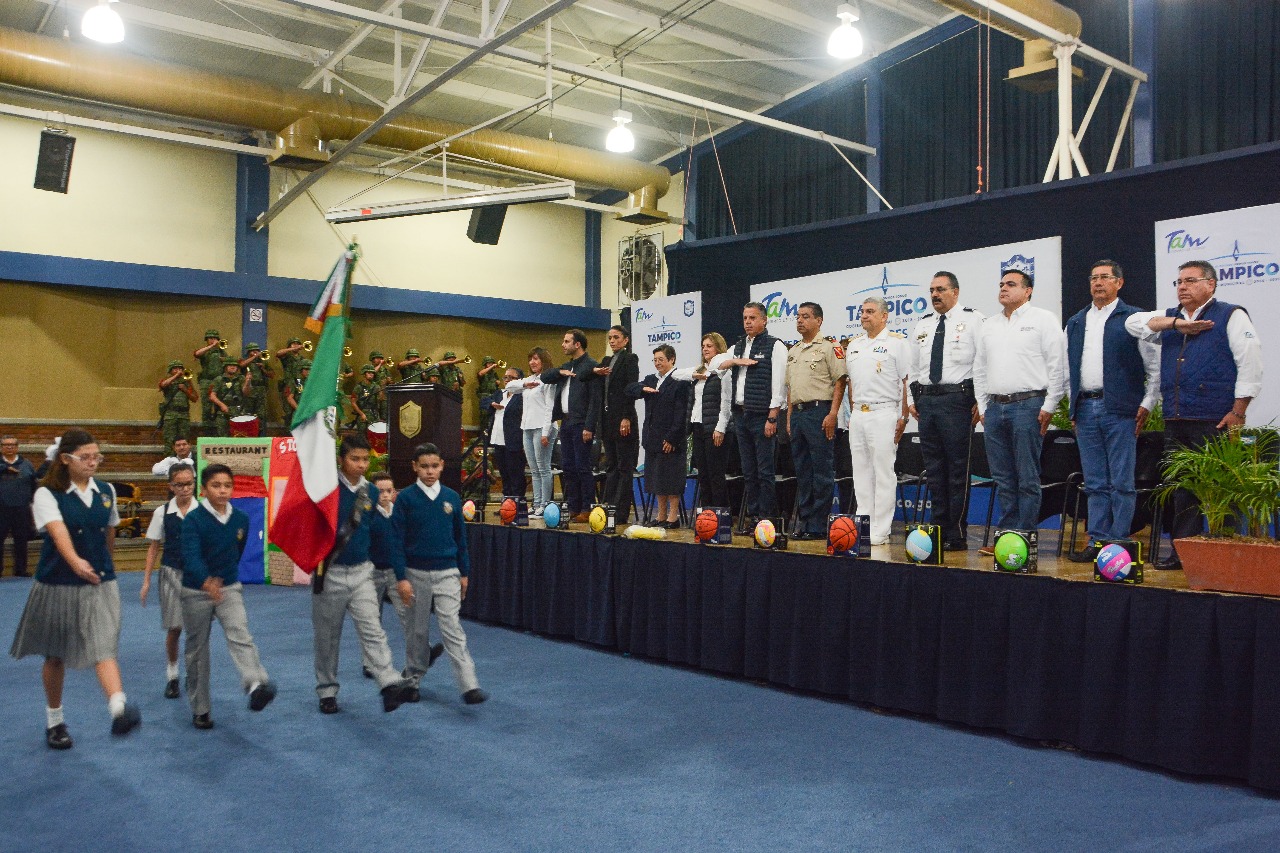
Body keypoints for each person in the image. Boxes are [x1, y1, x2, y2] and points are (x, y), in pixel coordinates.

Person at [1125, 259, 1264, 570]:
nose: (1182, 287)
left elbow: (1250, 363)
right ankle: (1183, 552)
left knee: (1220, 489)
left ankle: (1225, 553)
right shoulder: (1171, 318)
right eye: (1179, 282)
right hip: (1177, 420)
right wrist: (1176, 325)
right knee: (1182, 488)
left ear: (1210, 284)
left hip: (1215, 418)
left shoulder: (1231, 314)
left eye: (1190, 281)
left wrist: (1238, 411)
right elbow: (1132, 323)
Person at [9, 429, 141, 750]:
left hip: (100, 583)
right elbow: (58, 533)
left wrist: (105, 565)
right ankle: (55, 721)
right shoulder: (46, 494)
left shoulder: (107, 491)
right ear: (66, 459)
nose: (93, 462)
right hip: (58, 584)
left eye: (97, 456)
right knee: (55, 656)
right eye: (85, 457)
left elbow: (109, 531)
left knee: (103, 647)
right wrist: (76, 562)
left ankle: (118, 708)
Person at [1063, 260, 1160, 562]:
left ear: (1119, 282)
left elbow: (1154, 367)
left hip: (1121, 409)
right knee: (1094, 482)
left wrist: (1147, 403)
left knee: (1121, 481)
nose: (1098, 282)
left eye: (1105, 277)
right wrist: (1073, 407)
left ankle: (1118, 542)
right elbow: (1067, 370)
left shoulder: (1134, 319)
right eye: (1094, 278)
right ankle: (1097, 540)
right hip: (1085, 408)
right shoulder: (1076, 321)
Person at [311, 436, 416, 714]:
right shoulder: (325, 488)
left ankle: (388, 683)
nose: (361, 465)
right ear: (341, 460)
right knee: (327, 637)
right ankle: (327, 690)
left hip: (362, 572)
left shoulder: (370, 491)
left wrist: (397, 571)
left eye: (365, 459)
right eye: (354, 459)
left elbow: (376, 532)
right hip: (330, 572)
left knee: (373, 629)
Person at [973, 269, 1068, 550]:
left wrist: (1050, 405)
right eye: (1001, 284)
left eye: (1011, 284)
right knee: (1003, 478)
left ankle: (1024, 538)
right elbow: (979, 369)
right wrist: (983, 406)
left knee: (1027, 477)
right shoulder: (989, 325)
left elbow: (1058, 366)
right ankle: (1007, 538)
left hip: (1029, 405)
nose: (1003, 288)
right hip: (995, 408)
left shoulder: (1043, 319)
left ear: (1028, 291)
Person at [179, 463, 276, 729]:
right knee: (197, 650)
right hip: (196, 591)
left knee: (240, 633)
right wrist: (206, 580)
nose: (222, 491)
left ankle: (255, 684)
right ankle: (200, 708)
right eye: (216, 486)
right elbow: (190, 556)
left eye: (227, 486)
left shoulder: (241, 518)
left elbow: (236, 551)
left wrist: (223, 578)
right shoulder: (193, 520)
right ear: (203, 490)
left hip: (229, 587)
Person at [389, 443, 487, 705]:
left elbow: (460, 539)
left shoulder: (452, 497)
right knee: (417, 631)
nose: (430, 471)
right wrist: (401, 577)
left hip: (448, 572)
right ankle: (412, 680)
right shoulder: (406, 499)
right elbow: (396, 542)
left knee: (452, 626)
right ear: (415, 467)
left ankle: (469, 685)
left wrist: (464, 573)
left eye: (434, 466)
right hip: (415, 573)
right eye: (424, 467)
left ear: (442, 465)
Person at [907, 272, 983, 551]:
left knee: (957, 469)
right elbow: (913, 366)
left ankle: (956, 532)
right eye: (931, 290)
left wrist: (980, 400)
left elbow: (983, 363)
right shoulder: (923, 324)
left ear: (955, 292)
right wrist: (912, 398)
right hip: (927, 402)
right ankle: (937, 528)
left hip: (957, 400)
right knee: (935, 470)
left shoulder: (973, 320)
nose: (935, 295)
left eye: (940, 289)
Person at [844, 297, 910, 546]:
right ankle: (863, 525)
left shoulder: (897, 343)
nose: (864, 316)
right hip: (858, 414)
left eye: (870, 312)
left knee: (883, 473)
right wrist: (853, 413)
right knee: (860, 472)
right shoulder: (854, 345)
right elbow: (852, 382)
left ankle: (881, 529)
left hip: (884, 412)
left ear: (884, 316)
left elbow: (907, 381)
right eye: (862, 312)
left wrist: (903, 416)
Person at [722, 302, 787, 533]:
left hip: (762, 416)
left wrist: (773, 417)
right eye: (745, 318)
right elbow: (716, 366)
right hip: (741, 415)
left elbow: (779, 384)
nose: (748, 322)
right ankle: (753, 517)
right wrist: (734, 361)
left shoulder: (775, 345)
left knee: (764, 471)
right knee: (748, 471)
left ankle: (766, 519)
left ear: (764, 320)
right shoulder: (738, 346)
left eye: (752, 318)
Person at [785, 303, 848, 539]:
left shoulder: (830, 347)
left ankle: (818, 525)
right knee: (803, 471)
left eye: (806, 316)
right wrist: (789, 419)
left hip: (819, 412)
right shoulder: (794, 351)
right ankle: (804, 521)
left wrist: (832, 414)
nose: (800, 321)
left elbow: (840, 381)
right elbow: (791, 389)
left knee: (821, 470)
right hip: (798, 414)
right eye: (798, 317)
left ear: (819, 321)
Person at [141, 464, 197, 699]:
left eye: (189, 483)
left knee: (196, 628)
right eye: (179, 484)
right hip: (171, 573)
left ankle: (194, 674)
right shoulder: (161, 513)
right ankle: (172, 675)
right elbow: (153, 547)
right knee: (175, 628)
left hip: (197, 575)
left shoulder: (204, 511)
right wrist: (146, 580)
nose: (185, 489)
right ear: (171, 486)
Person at [539, 330, 600, 523]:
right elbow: (544, 377)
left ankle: (587, 507)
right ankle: (574, 506)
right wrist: (559, 372)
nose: (563, 345)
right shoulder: (567, 366)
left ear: (577, 344)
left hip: (581, 423)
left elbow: (595, 401)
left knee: (582, 467)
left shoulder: (591, 366)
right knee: (568, 467)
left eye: (566, 341)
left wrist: (589, 426)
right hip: (566, 422)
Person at [628, 345, 690, 528]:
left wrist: (672, 438)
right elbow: (629, 389)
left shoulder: (680, 381)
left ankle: (673, 517)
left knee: (671, 479)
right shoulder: (651, 380)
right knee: (657, 479)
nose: (657, 363)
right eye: (655, 360)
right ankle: (661, 515)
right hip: (652, 438)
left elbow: (682, 413)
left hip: (670, 438)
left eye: (661, 359)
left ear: (672, 359)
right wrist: (642, 389)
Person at [672, 333, 732, 512]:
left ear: (719, 348)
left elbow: (727, 402)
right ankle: (706, 515)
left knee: (715, 474)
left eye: (709, 346)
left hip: (715, 428)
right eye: (703, 346)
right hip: (698, 426)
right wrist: (694, 374)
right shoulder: (700, 370)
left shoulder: (723, 371)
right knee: (703, 474)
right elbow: (675, 374)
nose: (705, 349)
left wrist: (721, 428)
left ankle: (720, 514)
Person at [594, 326, 640, 524]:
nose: (612, 341)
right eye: (610, 338)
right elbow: (587, 376)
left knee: (623, 466)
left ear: (626, 340)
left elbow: (631, 388)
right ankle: (608, 507)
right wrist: (594, 370)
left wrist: (626, 416)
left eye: (616, 337)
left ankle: (621, 512)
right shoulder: (606, 361)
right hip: (608, 421)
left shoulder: (630, 359)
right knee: (611, 465)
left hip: (623, 420)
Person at [507, 347, 557, 517]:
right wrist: (524, 384)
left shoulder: (548, 380)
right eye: (530, 359)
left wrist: (545, 432)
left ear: (544, 360)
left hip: (542, 427)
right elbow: (509, 386)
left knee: (543, 468)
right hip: (527, 427)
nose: (532, 362)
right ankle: (536, 504)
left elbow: (549, 407)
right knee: (534, 469)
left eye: (536, 359)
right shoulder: (530, 380)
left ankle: (545, 504)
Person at [484, 367, 527, 499]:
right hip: (498, 440)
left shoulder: (522, 396)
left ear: (519, 380)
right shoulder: (500, 393)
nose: (507, 380)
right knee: (504, 473)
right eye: (505, 377)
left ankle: (517, 502)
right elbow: (483, 401)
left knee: (515, 474)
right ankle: (507, 502)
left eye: (511, 377)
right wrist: (492, 403)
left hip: (514, 441)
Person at [1, 435, 37, 578]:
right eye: (6, 445)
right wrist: (4, 468)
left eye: (12, 445)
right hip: (1, 509)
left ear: (17, 447)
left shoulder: (26, 465)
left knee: (21, 540)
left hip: (21, 509)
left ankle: (21, 570)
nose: (9, 447)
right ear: (1, 448)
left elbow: (33, 485)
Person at [157, 360, 197, 453]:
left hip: (184, 415)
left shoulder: (187, 382)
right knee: (169, 439)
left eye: (180, 368)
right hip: (170, 414)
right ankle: (170, 459)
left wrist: (185, 390)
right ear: (170, 370)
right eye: (175, 368)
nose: (178, 370)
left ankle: (183, 459)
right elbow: (163, 385)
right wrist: (175, 376)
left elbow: (195, 398)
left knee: (184, 439)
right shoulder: (167, 380)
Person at [209, 360, 251, 437]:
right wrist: (222, 405)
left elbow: (246, 393)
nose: (233, 367)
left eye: (235, 365)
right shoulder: (219, 379)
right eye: (230, 365)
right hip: (223, 412)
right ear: (225, 367)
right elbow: (212, 396)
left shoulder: (241, 378)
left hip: (238, 412)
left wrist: (247, 382)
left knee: (238, 436)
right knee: (222, 436)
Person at [239, 343, 273, 422]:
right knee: (248, 412)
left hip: (261, 390)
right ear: (248, 352)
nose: (255, 352)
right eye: (253, 351)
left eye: (257, 350)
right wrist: (254, 356)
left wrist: (263, 368)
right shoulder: (244, 360)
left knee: (261, 413)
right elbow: (241, 365)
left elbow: (272, 375)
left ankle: (260, 428)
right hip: (250, 389)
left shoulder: (263, 362)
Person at [351, 364, 382, 431]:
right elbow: (353, 402)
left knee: (374, 434)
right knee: (362, 434)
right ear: (364, 374)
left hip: (374, 414)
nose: (371, 374)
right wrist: (361, 414)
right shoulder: (359, 387)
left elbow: (379, 401)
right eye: (369, 372)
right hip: (363, 414)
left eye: (372, 373)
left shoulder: (376, 387)